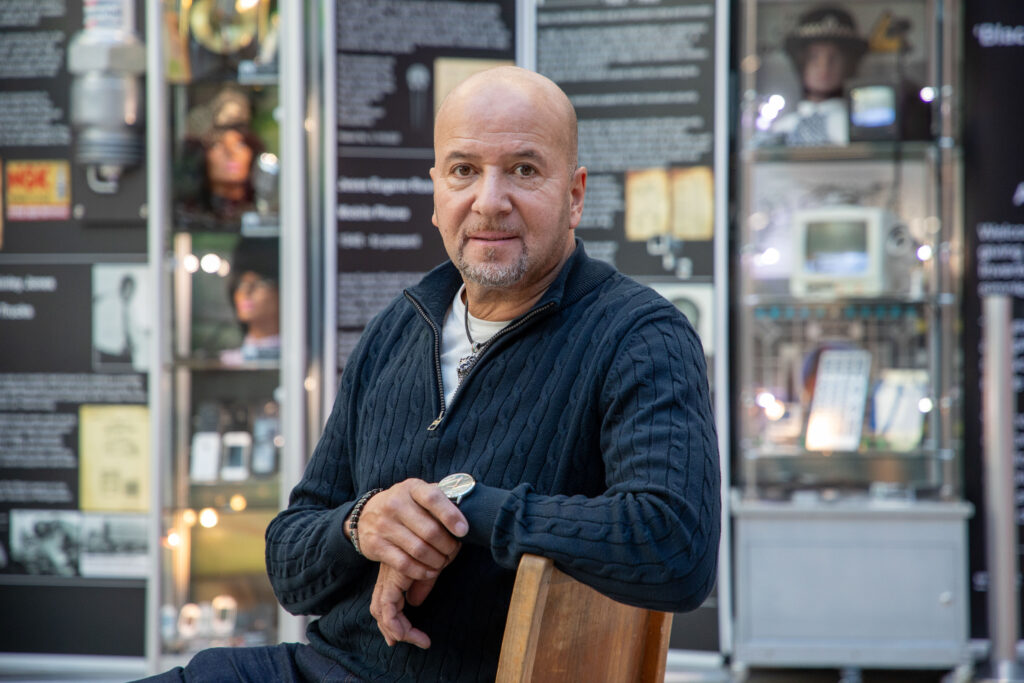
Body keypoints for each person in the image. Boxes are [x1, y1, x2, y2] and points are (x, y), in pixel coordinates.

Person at [139, 66, 720, 682]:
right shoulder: (398, 327)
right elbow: (289, 566)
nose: (489, 201)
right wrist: (363, 524)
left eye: (524, 170)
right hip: (326, 667)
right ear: (436, 192)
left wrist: (460, 506)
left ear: (574, 196)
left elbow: (675, 548)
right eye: (464, 170)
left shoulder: (639, 336)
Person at [767, 5, 869, 146]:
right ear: (801, 62)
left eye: (834, 58)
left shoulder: (860, 128)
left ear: (849, 64)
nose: (824, 67)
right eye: (814, 57)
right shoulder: (781, 131)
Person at [219, 237, 281, 365]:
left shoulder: (301, 361)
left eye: (259, 282)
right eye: (240, 283)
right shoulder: (228, 361)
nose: (245, 292)